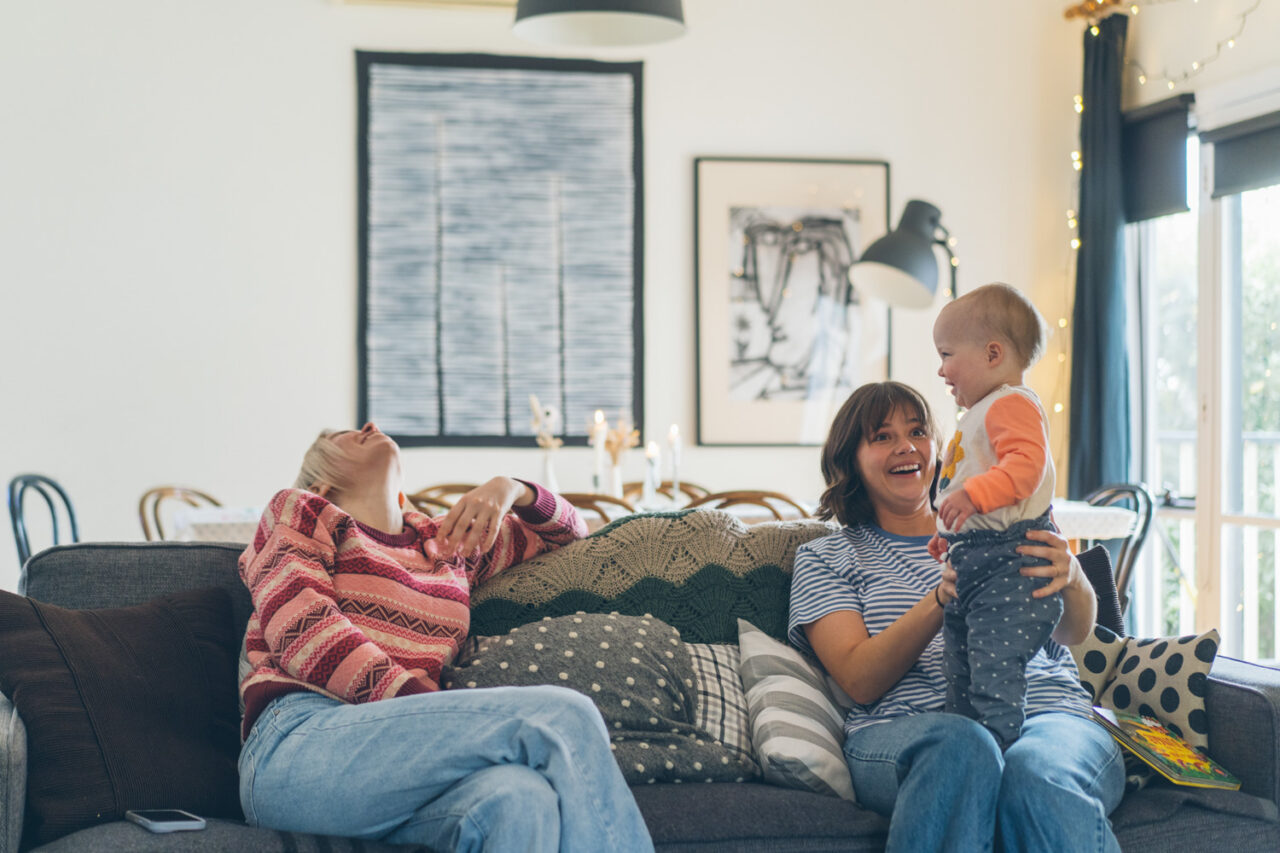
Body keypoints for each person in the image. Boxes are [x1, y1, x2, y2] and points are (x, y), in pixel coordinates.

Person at [237, 422, 654, 853]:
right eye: (342, 434)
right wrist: (430, 707)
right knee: (566, 717)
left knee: (521, 799)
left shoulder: (449, 544)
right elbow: (305, 633)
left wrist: (511, 489)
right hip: (298, 745)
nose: (369, 426)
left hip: (405, 759)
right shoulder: (301, 510)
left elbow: (571, 536)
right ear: (324, 484)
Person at [788, 382, 1124, 853]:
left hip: (1048, 716)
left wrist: (1072, 576)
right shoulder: (827, 557)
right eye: (882, 436)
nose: (906, 446)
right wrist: (939, 598)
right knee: (964, 745)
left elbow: (1071, 633)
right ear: (851, 460)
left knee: (1037, 775)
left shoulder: (1004, 525)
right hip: (912, 731)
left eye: (918, 431)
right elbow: (860, 679)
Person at [928, 282, 1058, 748]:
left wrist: (975, 498)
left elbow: (1025, 467)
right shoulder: (984, 410)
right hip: (977, 558)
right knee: (959, 666)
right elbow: (967, 485)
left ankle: (998, 751)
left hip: (1008, 565)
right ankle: (967, 747)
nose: (941, 370)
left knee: (993, 671)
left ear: (992, 354)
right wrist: (951, 533)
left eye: (946, 354)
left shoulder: (1011, 404)